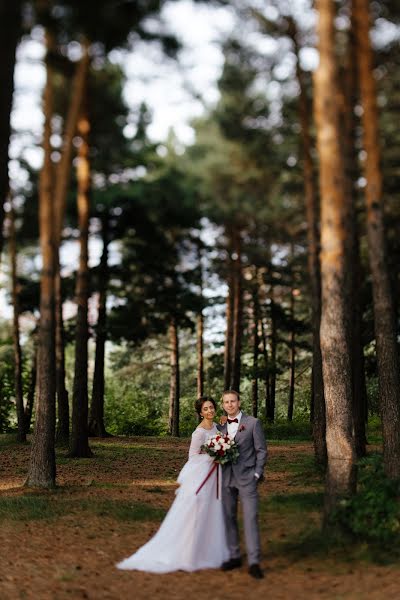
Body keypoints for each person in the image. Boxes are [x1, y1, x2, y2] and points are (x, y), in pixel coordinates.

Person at [116, 396, 229, 573]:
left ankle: (208, 550)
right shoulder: (198, 433)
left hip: (215, 475)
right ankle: (188, 553)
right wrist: (213, 456)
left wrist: (222, 449)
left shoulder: (216, 427)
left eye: (211, 407)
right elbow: (192, 457)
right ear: (200, 413)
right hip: (201, 475)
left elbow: (225, 435)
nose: (209, 411)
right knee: (195, 509)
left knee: (212, 510)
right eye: (205, 409)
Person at [218, 389, 267, 579]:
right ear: (223, 405)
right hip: (226, 478)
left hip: (247, 478)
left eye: (233, 401)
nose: (229, 404)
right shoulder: (220, 426)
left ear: (239, 402)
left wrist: (257, 473)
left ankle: (254, 562)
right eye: (226, 402)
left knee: (250, 518)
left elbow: (261, 450)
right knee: (228, 517)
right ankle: (234, 555)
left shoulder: (253, 423)